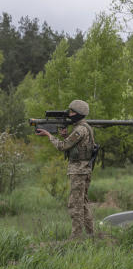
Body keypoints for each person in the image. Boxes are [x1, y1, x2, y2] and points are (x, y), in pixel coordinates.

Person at [36, 99, 95, 238]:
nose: (70, 114)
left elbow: (62, 146)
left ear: (79, 114)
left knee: (76, 205)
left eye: (72, 111)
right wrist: (64, 135)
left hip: (79, 171)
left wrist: (49, 135)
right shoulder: (84, 127)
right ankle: (91, 235)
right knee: (84, 204)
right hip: (83, 170)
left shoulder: (80, 129)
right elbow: (74, 144)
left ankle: (76, 237)